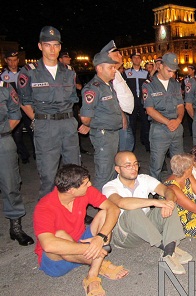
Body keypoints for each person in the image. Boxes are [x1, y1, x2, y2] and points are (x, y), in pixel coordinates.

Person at [33, 164, 128, 296]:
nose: (90, 184)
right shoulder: (44, 207)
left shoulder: (86, 191)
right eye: (85, 183)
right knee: (59, 236)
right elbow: (48, 245)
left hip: (81, 241)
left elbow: (113, 209)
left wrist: (100, 238)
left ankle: (92, 276)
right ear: (71, 190)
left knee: (104, 214)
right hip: (57, 262)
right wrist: (90, 249)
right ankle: (100, 264)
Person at [17, 26, 80, 199]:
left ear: (60, 47)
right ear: (40, 46)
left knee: (75, 173)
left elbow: (73, 99)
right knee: (49, 176)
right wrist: (38, 120)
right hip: (46, 125)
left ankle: (75, 214)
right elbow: (24, 101)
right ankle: (48, 218)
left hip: (68, 123)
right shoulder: (29, 72)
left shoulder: (69, 72)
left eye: (55, 45)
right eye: (47, 45)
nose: (52, 49)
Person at [102, 151, 191, 275]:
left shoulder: (144, 179)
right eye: (128, 165)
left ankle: (168, 253)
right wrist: (155, 203)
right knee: (132, 212)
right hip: (124, 235)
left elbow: (167, 190)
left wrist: (168, 202)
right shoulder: (110, 187)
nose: (133, 168)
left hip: (146, 227)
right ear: (117, 169)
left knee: (169, 205)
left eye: (135, 164)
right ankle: (167, 246)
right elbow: (122, 203)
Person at [79, 51, 122, 191]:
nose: (114, 70)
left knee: (112, 170)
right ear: (99, 68)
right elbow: (85, 118)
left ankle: (109, 201)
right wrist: (94, 125)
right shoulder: (93, 88)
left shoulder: (107, 85)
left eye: (114, 67)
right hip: (103, 135)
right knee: (104, 172)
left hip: (111, 134)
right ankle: (100, 205)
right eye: (111, 67)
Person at [0, 80, 34, 246]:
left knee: (10, 184)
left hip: (2, 141)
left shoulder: (5, 89)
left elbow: (15, 115)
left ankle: (16, 226)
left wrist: (3, 131)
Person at [143, 53, 184, 180]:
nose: (172, 74)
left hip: (176, 128)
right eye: (169, 70)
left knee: (178, 164)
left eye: (174, 71)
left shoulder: (175, 84)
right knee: (157, 164)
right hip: (159, 130)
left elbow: (180, 106)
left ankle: (178, 187)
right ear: (160, 66)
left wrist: (178, 120)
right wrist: (168, 122)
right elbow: (149, 110)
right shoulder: (149, 84)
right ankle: (155, 191)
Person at [1, 50, 35, 164]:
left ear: (18, 60)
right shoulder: (2, 76)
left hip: (26, 106)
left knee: (33, 131)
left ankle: (37, 154)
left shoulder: (25, 73)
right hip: (12, 109)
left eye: (15, 60)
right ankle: (24, 155)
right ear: (6, 61)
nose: (12, 63)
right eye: (10, 60)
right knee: (17, 135)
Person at [102, 40, 135, 152]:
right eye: (117, 54)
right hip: (119, 115)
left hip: (124, 114)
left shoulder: (117, 73)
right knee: (123, 148)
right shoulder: (109, 74)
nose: (121, 56)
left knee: (127, 144)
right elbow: (112, 97)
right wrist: (122, 116)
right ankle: (121, 168)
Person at [124, 52, 149, 151]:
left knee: (146, 124)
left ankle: (148, 145)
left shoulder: (145, 73)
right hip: (132, 102)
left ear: (141, 60)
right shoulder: (126, 73)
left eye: (138, 58)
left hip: (143, 101)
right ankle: (131, 148)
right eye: (134, 58)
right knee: (132, 125)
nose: (136, 59)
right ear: (131, 60)